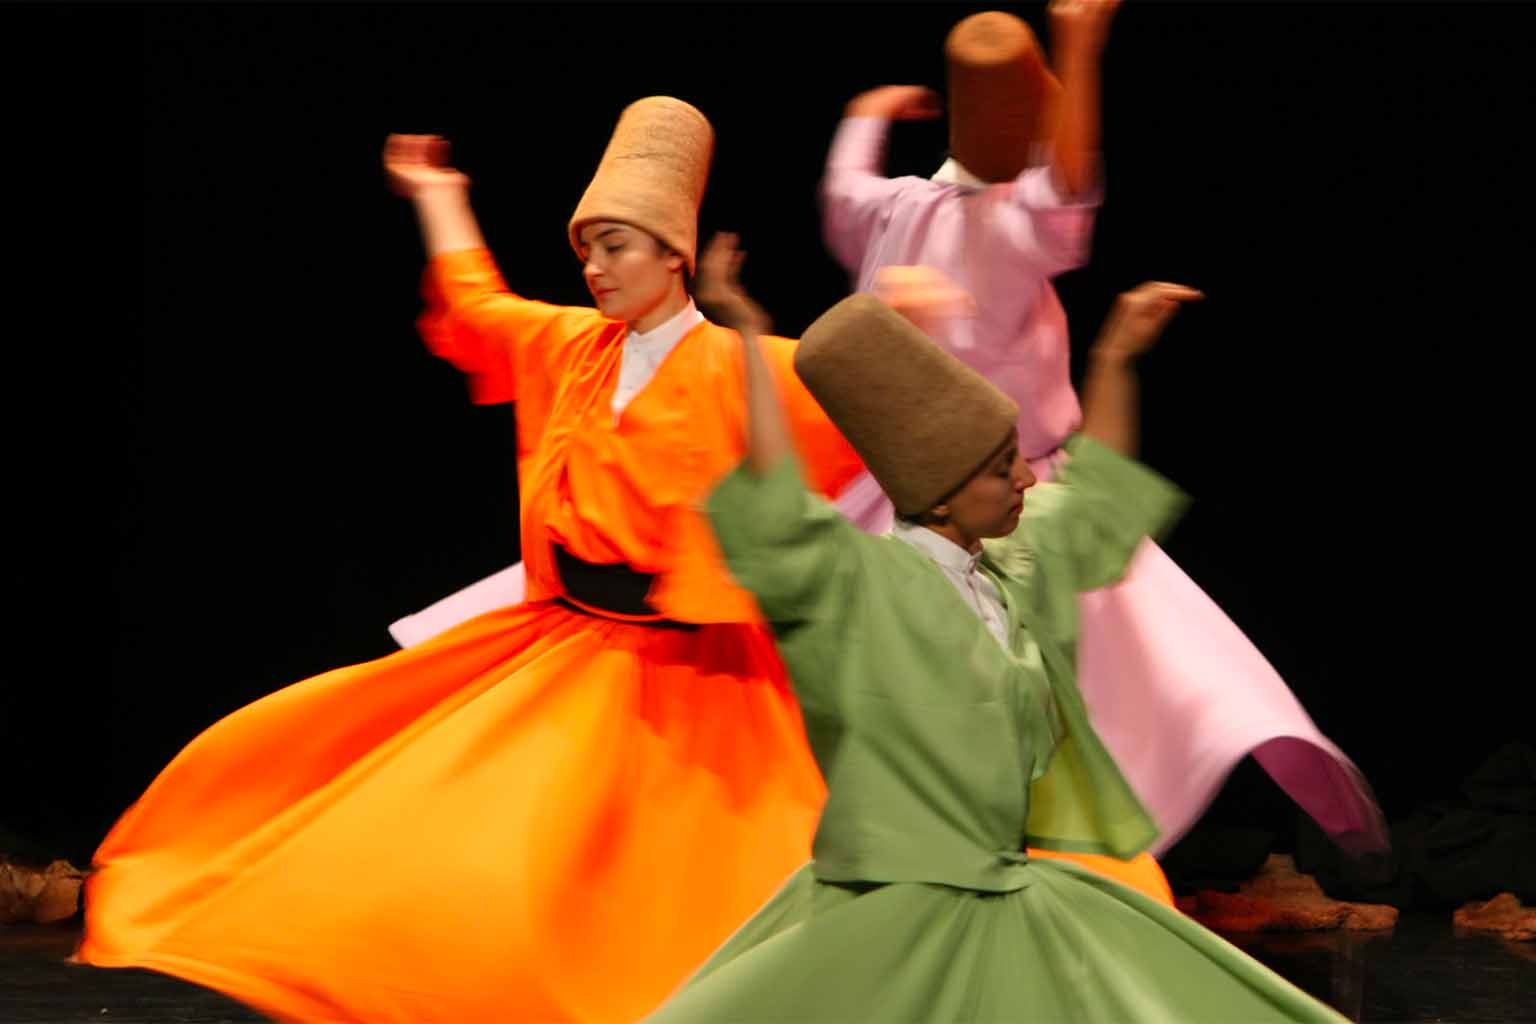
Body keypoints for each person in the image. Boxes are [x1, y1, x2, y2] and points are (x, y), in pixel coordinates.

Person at [76, 97, 862, 1024]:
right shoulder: (571, 348)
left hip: (696, 675)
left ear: (673, 253)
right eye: (588, 249)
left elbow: (867, 409)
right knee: (443, 832)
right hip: (569, 648)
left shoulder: (747, 364)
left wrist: (917, 325)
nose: (595, 267)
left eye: (616, 246)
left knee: (710, 888)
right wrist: (438, 195)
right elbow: (477, 305)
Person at [648, 234, 1347, 1022]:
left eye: (1014, 458)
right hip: (888, 909)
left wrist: (1114, 356)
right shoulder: (858, 583)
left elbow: (1094, 501)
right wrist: (745, 336)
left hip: (1007, 895)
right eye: (998, 467)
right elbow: (776, 511)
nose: (1023, 476)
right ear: (939, 495)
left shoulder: (1011, 566)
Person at [821, 4, 1386, 859]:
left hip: (965, 501)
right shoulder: (993, 221)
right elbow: (1069, 182)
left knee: (1095, 680)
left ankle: (1012, 835)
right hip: (976, 505)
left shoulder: (894, 207)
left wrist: (868, 115)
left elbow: (843, 191)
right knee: (1086, 683)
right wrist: (1081, 49)